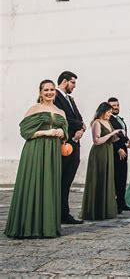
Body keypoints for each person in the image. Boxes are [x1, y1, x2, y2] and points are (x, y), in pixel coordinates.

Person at [4, 80, 67, 238]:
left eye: (52, 89)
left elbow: (66, 132)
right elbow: (25, 131)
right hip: (35, 150)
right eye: (46, 90)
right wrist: (46, 133)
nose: (49, 92)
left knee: (49, 185)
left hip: (53, 153)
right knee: (33, 182)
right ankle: (27, 227)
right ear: (40, 92)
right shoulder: (34, 109)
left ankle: (47, 227)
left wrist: (62, 133)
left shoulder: (61, 111)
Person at [81, 102, 121, 221]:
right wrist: (112, 133)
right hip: (99, 153)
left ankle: (106, 209)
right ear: (102, 111)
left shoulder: (107, 122)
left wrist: (121, 138)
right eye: (108, 112)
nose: (110, 114)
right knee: (99, 178)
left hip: (108, 151)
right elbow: (97, 141)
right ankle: (97, 210)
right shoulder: (96, 123)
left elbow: (112, 138)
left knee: (107, 178)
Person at [54, 71, 85, 224]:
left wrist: (81, 128)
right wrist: (80, 126)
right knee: (62, 180)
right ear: (65, 81)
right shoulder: (56, 97)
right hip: (64, 143)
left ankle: (63, 213)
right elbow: (64, 117)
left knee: (67, 180)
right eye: (73, 83)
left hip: (75, 142)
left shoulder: (70, 99)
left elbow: (78, 117)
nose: (74, 86)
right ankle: (60, 214)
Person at [108, 97, 130, 213]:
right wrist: (118, 148)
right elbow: (110, 136)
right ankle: (116, 204)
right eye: (113, 106)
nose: (116, 108)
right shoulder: (108, 120)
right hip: (115, 151)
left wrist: (128, 140)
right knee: (116, 177)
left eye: (117, 105)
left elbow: (122, 132)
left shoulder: (119, 119)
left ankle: (122, 202)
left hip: (124, 150)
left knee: (123, 176)